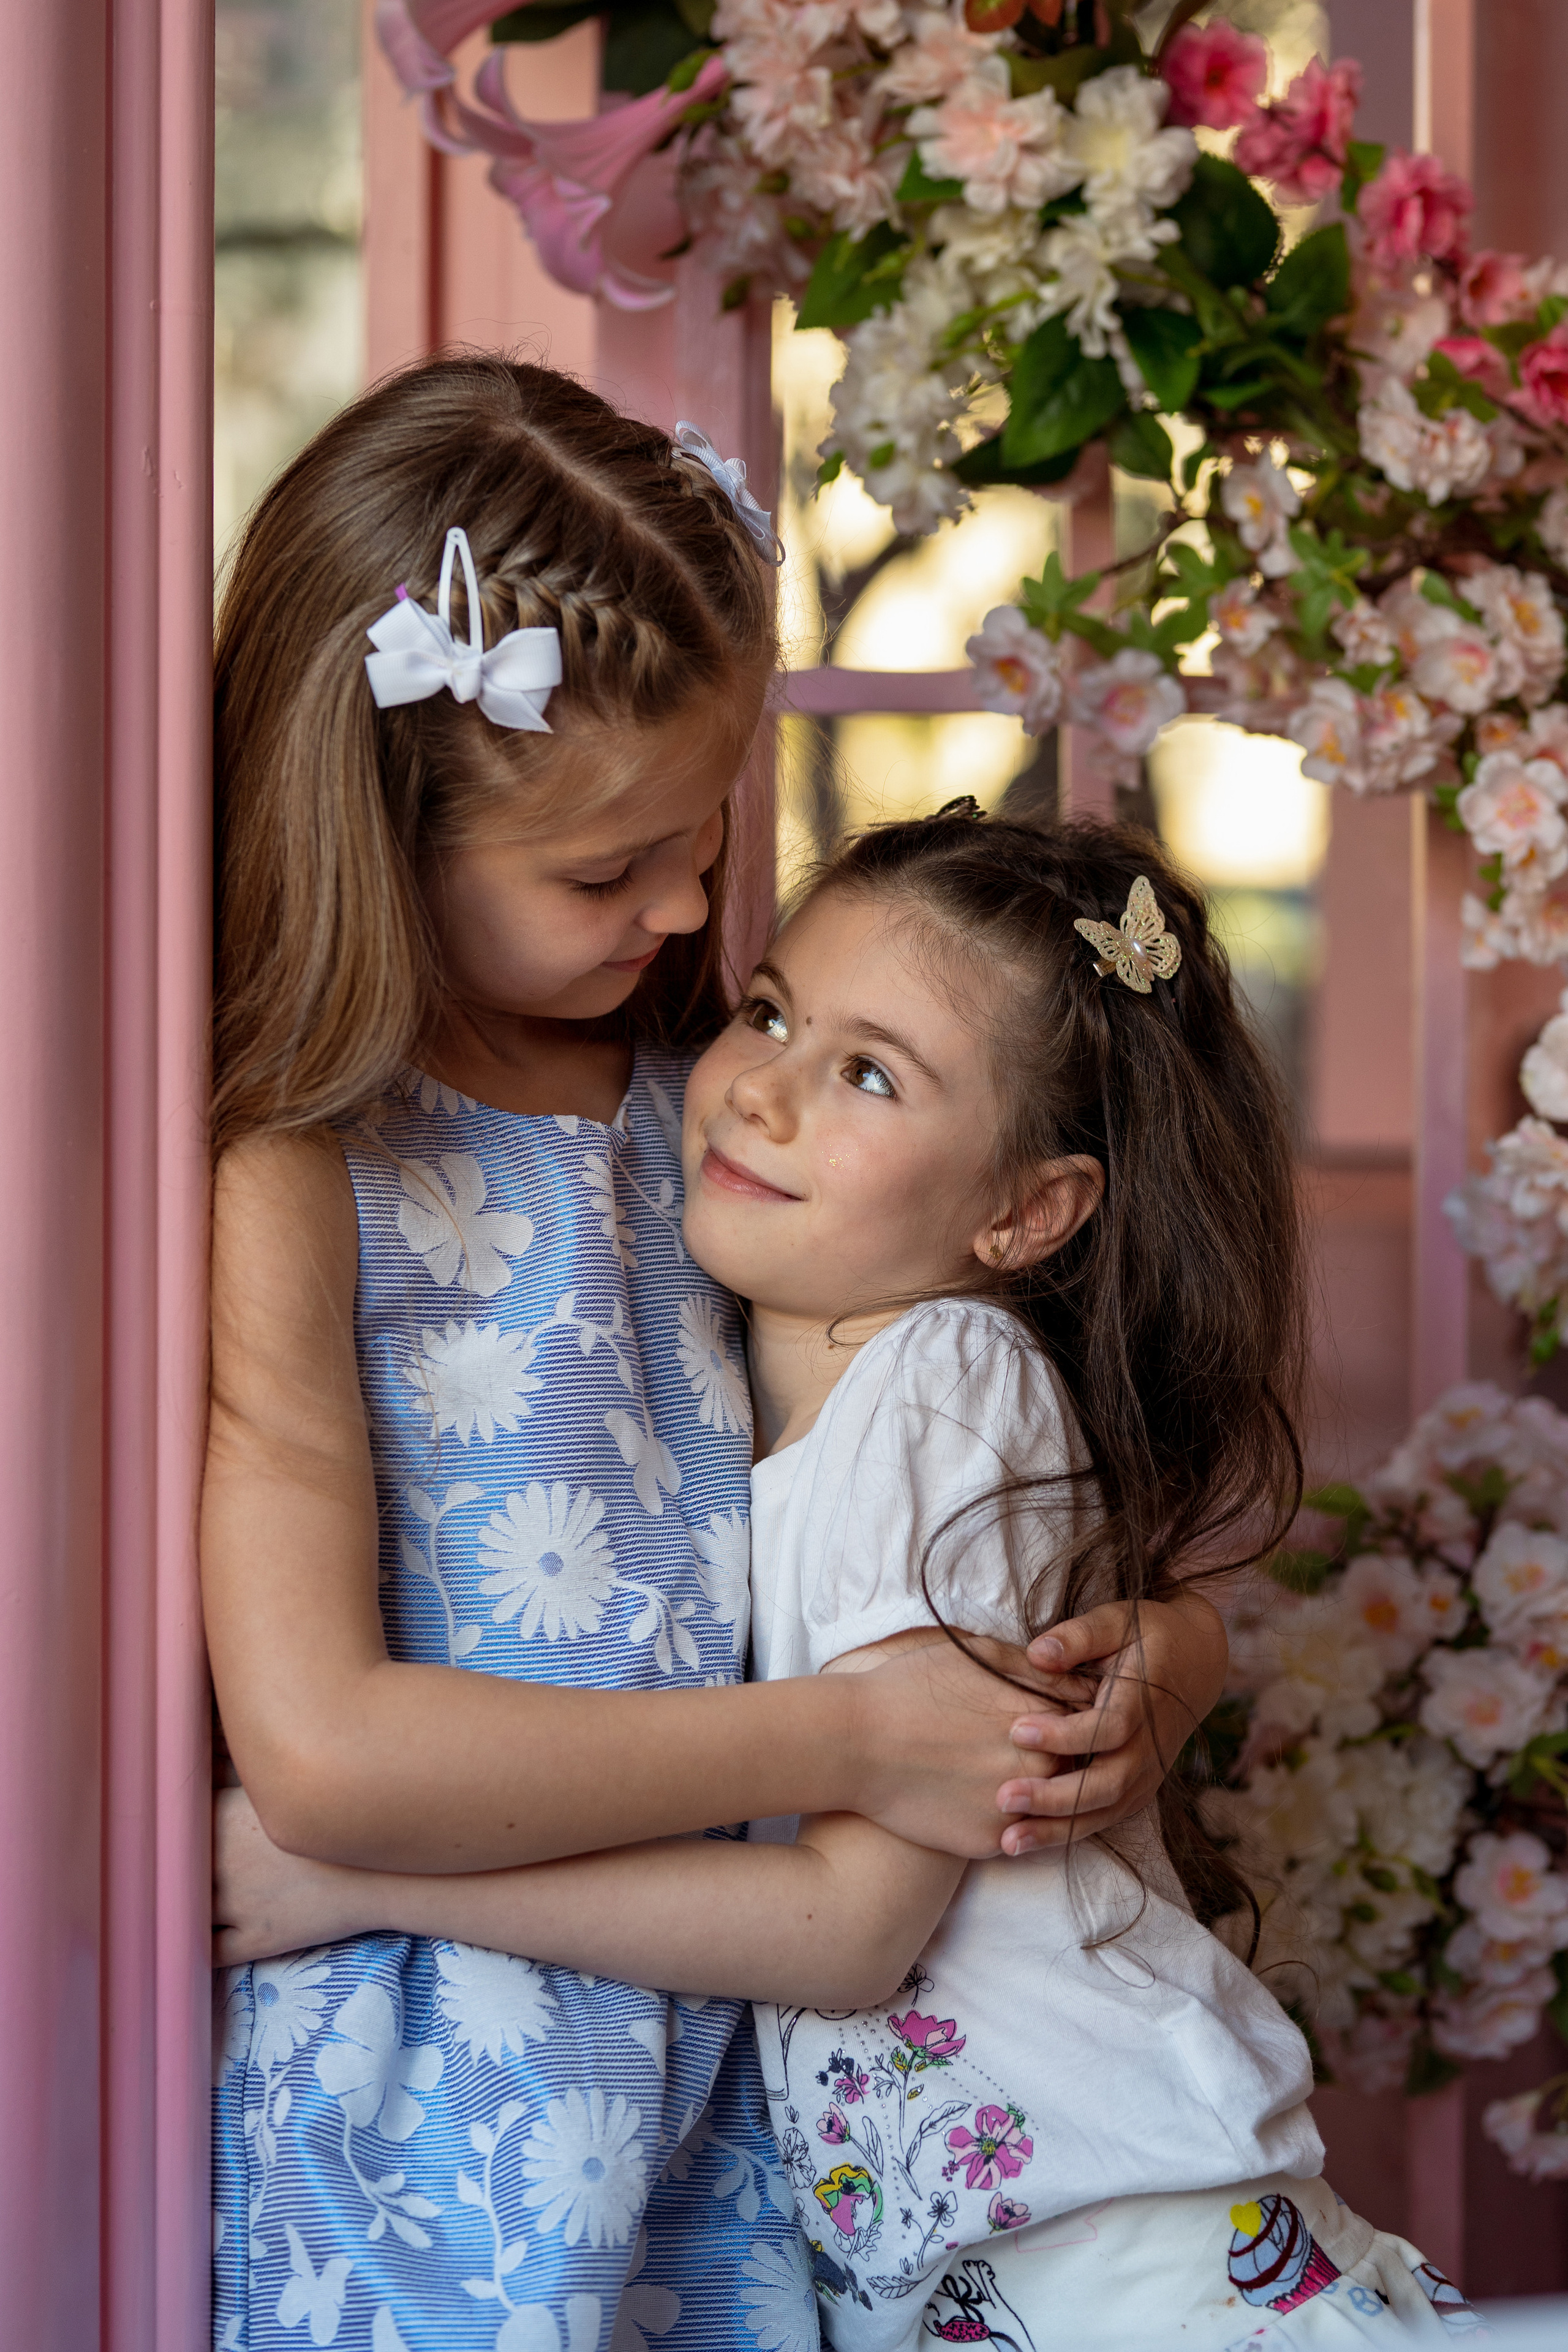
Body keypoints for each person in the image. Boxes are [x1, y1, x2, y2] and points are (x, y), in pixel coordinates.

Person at [203, 356, 1227, 2352]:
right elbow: (321, 1750)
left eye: (708, 836)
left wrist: (1160, 1661)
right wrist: (855, 1742)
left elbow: (994, 1485)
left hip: (742, 2083)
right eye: (609, 870)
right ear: (384, 829)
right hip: (435, 2115)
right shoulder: (298, 1162)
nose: (687, 902)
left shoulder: (730, 1121)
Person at [217, 813, 1482, 2348]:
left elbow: (847, 1930)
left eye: (867, 1073)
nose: (755, 1086)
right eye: (767, 1012)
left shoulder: (942, 1388)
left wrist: (356, 1879)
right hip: (993, 2269)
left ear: (1022, 1213)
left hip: (1127, 2246)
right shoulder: (790, 1353)